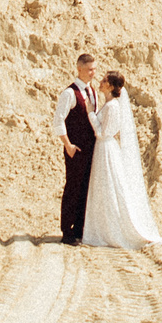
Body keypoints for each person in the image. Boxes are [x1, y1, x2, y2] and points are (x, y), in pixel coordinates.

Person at [81, 70, 162, 249]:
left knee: (109, 186)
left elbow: (103, 133)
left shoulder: (113, 107)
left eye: (104, 80)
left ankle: (110, 230)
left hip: (106, 148)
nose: (101, 82)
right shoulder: (110, 104)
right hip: (103, 149)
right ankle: (102, 228)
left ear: (111, 86)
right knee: (104, 187)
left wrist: (90, 114)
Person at [53, 53, 102, 244]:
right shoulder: (69, 94)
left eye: (95, 69)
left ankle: (80, 230)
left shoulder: (92, 92)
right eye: (90, 69)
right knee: (73, 188)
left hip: (91, 149)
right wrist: (68, 145)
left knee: (85, 189)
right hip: (75, 149)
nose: (93, 73)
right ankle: (67, 231)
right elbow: (59, 120)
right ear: (79, 69)